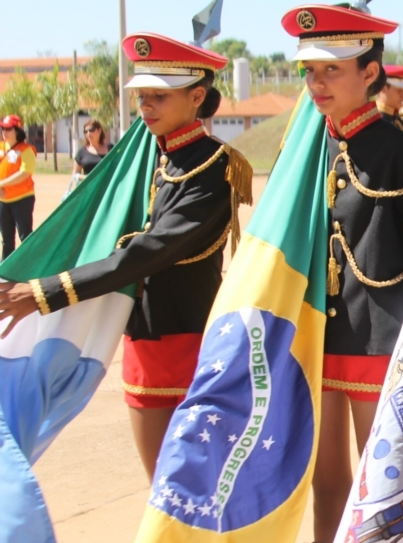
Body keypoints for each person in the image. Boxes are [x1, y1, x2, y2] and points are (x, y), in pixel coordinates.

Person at [0, 33, 252, 479]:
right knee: (158, 485)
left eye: (160, 95)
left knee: (193, 490)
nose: (146, 106)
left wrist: (44, 293)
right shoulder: (146, 163)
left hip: (192, 338)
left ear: (197, 96)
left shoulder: (215, 167)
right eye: (141, 96)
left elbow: (146, 253)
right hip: (142, 336)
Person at [280, 0, 403, 543]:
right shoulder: (306, 145)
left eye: (332, 69)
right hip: (319, 338)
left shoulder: (399, 148)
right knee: (326, 489)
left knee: (384, 495)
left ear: (370, 72)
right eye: (310, 70)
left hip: (380, 342)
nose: (317, 82)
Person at [0, 115, 37, 260]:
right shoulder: (1, 147)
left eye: (8, 128)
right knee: (6, 238)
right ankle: (6, 270)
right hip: (3, 200)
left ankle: (31, 266)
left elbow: (25, 173)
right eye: (3, 128)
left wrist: (1, 184)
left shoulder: (26, 150)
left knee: (25, 235)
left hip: (22, 198)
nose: (4, 131)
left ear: (17, 130)